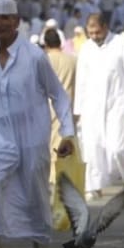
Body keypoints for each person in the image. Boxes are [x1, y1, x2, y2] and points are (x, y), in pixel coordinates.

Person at [0, 0, 75, 248]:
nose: (0, 23)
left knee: (35, 198)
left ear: (17, 21)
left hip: (31, 140)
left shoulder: (34, 57)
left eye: (5, 18)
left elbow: (59, 95)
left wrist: (67, 133)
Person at [74, 12, 124, 200]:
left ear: (105, 27)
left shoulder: (121, 44)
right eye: (91, 33)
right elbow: (81, 80)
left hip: (116, 104)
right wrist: (78, 109)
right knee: (92, 146)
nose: (94, 36)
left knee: (117, 148)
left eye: (97, 32)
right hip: (91, 106)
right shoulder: (87, 48)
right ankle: (94, 186)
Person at [42, 28, 77, 176]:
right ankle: (61, 174)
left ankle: (53, 175)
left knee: (50, 143)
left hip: (47, 107)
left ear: (45, 44)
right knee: (65, 142)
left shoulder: (43, 60)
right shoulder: (73, 59)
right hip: (68, 106)